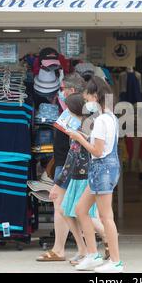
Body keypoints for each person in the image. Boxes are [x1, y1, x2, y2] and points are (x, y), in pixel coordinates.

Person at [68, 76, 123, 273]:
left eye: (88, 97)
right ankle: (92, 255)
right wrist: (85, 137)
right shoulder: (110, 117)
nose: (86, 101)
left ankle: (115, 261)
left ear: (96, 96)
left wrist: (78, 138)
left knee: (106, 217)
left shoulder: (101, 120)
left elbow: (98, 151)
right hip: (106, 168)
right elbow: (103, 147)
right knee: (81, 209)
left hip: (102, 169)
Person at [55, 93, 109, 265]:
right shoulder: (86, 126)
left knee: (84, 214)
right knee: (69, 211)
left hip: (83, 177)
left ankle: (107, 238)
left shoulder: (80, 130)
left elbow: (72, 158)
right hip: (80, 177)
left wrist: (58, 183)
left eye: (68, 110)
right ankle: (85, 249)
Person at [37, 72, 86, 262]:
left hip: (67, 165)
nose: (61, 92)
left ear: (72, 90)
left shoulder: (74, 113)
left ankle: (61, 249)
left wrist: (61, 174)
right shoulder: (70, 111)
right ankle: (78, 249)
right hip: (63, 164)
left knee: (64, 208)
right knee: (67, 208)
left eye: (63, 89)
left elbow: (73, 147)